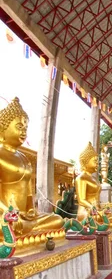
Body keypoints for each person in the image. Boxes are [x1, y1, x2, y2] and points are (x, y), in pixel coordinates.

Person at [0, 97, 64, 238]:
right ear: (2, 128)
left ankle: (25, 231)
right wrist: (7, 213)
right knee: (6, 226)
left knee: (56, 220)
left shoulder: (24, 158)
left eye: (26, 128)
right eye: (19, 127)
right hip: (5, 215)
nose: (24, 131)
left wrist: (30, 210)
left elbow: (29, 193)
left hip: (24, 217)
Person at [75, 142, 112, 227]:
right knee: (101, 219)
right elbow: (81, 200)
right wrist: (94, 208)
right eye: (95, 161)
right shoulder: (81, 178)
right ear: (86, 161)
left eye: (97, 161)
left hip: (97, 211)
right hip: (86, 212)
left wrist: (102, 210)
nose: (97, 163)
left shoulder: (94, 179)